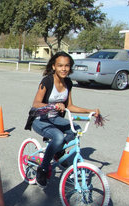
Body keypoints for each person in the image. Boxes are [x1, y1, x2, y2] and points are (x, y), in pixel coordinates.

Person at [28, 51, 100, 187]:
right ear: (54, 66)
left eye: (67, 66)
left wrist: (90, 111)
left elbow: (70, 106)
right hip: (40, 120)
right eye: (60, 65)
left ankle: (57, 151)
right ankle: (42, 169)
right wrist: (53, 106)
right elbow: (36, 104)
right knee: (59, 137)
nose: (64, 69)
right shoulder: (47, 81)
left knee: (76, 129)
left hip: (55, 119)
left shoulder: (68, 82)